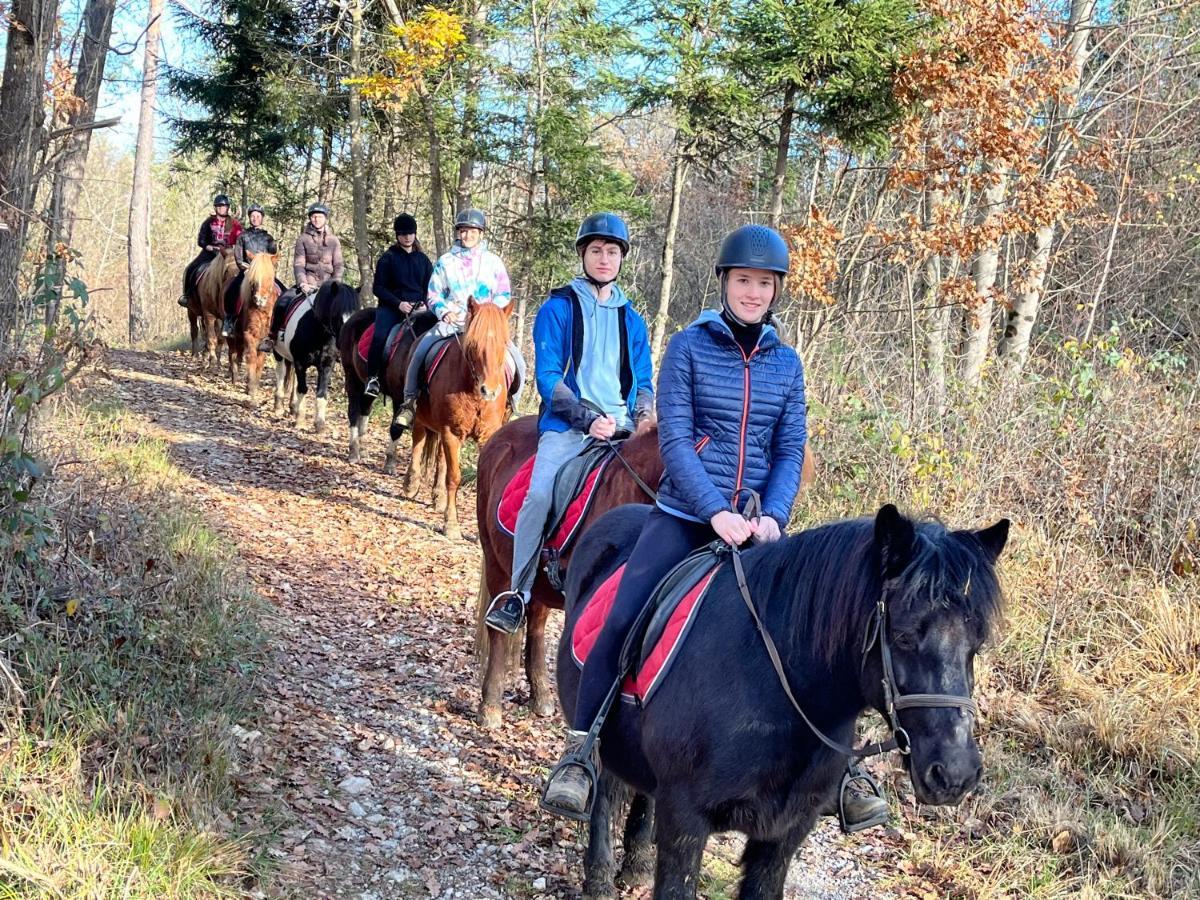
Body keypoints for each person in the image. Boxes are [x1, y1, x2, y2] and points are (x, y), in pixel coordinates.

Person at [541, 223, 815, 819]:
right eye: (743, 280)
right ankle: (581, 752)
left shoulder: (786, 364)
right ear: (726, 282)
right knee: (620, 618)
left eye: (764, 283)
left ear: (775, 290)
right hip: (684, 516)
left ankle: (830, 770)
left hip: (758, 528)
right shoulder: (690, 347)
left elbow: (790, 448)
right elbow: (680, 442)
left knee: (813, 633)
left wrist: (773, 516)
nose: (753, 292)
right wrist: (714, 511)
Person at [485, 213, 655, 635]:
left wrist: (644, 418)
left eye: (612, 252)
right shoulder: (558, 308)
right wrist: (586, 418)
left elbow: (644, 381)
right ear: (583, 255)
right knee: (539, 494)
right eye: (596, 250)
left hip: (622, 429)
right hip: (569, 426)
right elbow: (548, 378)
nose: (604, 258)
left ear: (621, 260)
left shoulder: (632, 320)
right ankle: (518, 592)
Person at [392, 208, 524, 431]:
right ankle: (409, 401)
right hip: (452, 322)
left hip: (485, 327)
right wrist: (444, 311)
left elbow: (503, 294)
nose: (467, 235)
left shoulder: (493, 262)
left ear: (481, 234)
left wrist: (490, 314)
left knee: (518, 360)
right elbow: (433, 294)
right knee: (420, 349)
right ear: (458, 233)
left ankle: (512, 406)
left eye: (472, 231)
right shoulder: (446, 261)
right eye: (463, 231)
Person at [364, 214, 434, 398]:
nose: (407, 237)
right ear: (397, 235)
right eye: (403, 234)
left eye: (410, 233)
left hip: (420, 308)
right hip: (392, 307)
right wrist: (399, 304)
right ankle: (373, 378)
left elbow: (431, 287)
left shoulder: (424, 260)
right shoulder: (388, 258)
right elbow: (378, 287)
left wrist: (426, 305)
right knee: (379, 337)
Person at [261, 202, 344, 351]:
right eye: (313, 216)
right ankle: (271, 337)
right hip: (308, 283)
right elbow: (299, 264)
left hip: (329, 286)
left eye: (319, 216)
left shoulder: (334, 241)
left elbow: (338, 265)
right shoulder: (303, 239)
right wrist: (303, 283)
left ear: (325, 218)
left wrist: (335, 284)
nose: (316, 219)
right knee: (282, 301)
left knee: (347, 308)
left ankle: (343, 345)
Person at [222, 204, 281, 337]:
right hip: (248, 271)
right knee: (231, 290)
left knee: (283, 291)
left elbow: (273, 258)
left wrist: (267, 271)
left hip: (265, 274)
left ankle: (279, 325)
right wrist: (247, 268)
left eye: (258, 216)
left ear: (262, 218)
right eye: (252, 216)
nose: (255, 218)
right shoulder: (243, 236)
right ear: (249, 218)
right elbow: (238, 257)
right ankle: (229, 320)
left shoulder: (269, 239)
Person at [179, 194, 242, 307]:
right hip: (210, 252)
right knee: (191, 268)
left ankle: (239, 297)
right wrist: (208, 247)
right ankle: (187, 296)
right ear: (215, 208)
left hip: (227, 254)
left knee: (239, 272)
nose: (222, 208)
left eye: (224, 206)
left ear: (228, 208)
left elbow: (240, 240)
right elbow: (201, 240)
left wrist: (233, 251)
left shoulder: (234, 224)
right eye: (219, 206)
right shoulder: (208, 222)